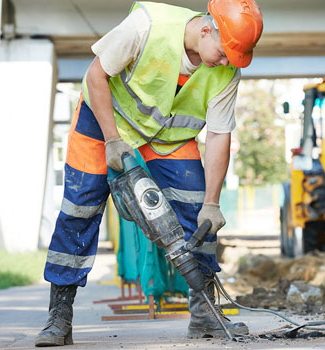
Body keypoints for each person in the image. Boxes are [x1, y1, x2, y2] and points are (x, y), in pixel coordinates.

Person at [35, 0, 263, 347]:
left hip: (165, 136)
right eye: (224, 50)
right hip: (103, 122)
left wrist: (212, 203)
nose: (226, 60)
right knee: (79, 210)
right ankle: (59, 318)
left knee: (198, 210)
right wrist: (112, 140)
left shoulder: (227, 71)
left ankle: (205, 315)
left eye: (235, 55)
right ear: (206, 29)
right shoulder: (146, 25)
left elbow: (218, 135)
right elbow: (97, 74)